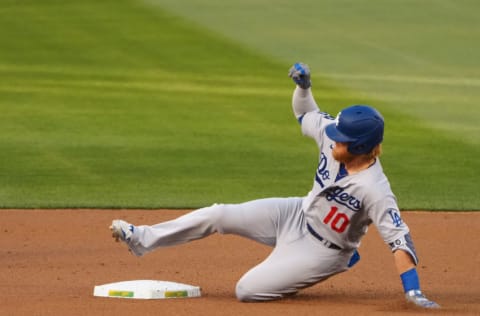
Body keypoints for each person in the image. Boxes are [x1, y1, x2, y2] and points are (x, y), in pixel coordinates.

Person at [110, 62, 439, 308]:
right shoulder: (330, 136)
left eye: (342, 139)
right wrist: (304, 88)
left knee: (247, 291)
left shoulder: (375, 189)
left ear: (359, 148)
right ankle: (143, 237)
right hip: (294, 213)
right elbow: (305, 114)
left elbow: (399, 239)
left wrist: (413, 291)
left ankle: (296, 270)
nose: (332, 138)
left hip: (324, 250)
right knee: (219, 214)